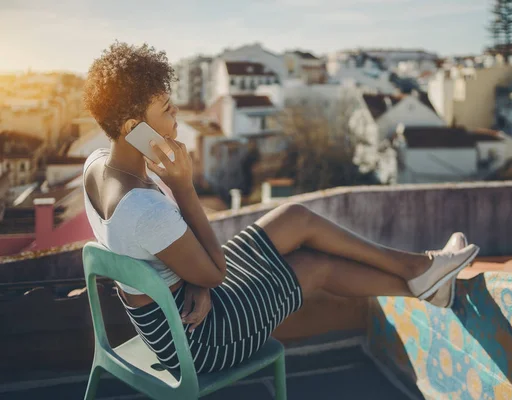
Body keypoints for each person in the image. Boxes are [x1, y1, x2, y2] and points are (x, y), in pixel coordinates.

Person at [82, 41, 479, 374]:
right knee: (313, 265)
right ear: (135, 128)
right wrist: (184, 188)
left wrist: (196, 280)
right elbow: (216, 272)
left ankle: (420, 270)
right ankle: (425, 283)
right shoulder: (143, 209)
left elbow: (175, 262)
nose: (177, 116)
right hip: (198, 342)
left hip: (180, 303)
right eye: (166, 110)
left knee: (295, 218)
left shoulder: (97, 166)